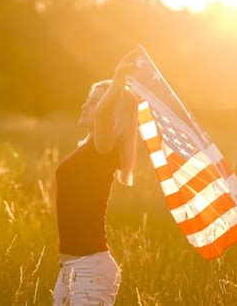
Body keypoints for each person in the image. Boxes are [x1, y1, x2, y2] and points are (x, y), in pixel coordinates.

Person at [53, 49, 141, 305]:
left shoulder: (105, 149)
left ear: (112, 113)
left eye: (94, 102)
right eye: (88, 100)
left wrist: (118, 79)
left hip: (91, 270)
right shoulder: (89, 148)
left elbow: (104, 113)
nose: (85, 105)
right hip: (70, 269)